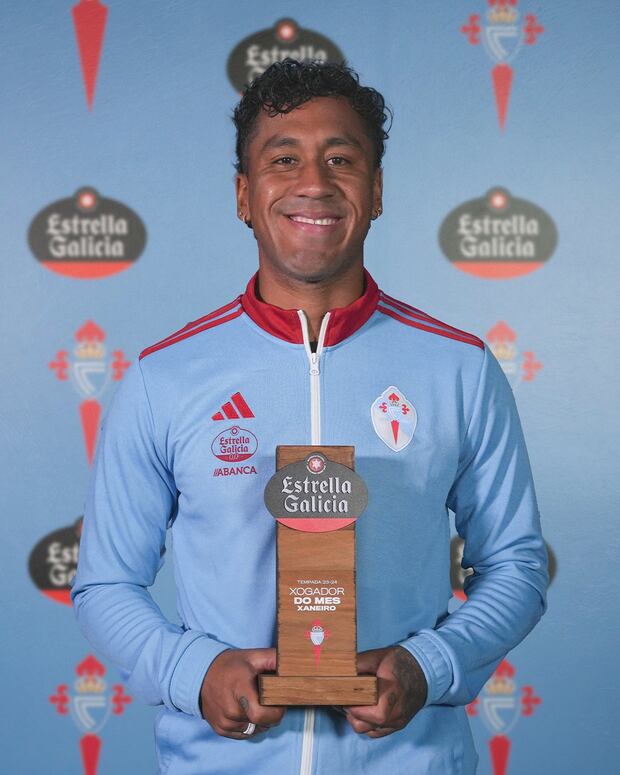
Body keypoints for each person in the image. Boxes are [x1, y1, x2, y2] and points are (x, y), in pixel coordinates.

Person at [72, 59, 548, 775]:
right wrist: (193, 671)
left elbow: (516, 564)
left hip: (410, 760)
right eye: (284, 158)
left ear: (376, 191)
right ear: (244, 194)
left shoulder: (460, 368)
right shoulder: (162, 379)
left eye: (341, 159)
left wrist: (430, 663)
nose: (315, 183)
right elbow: (105, 583)